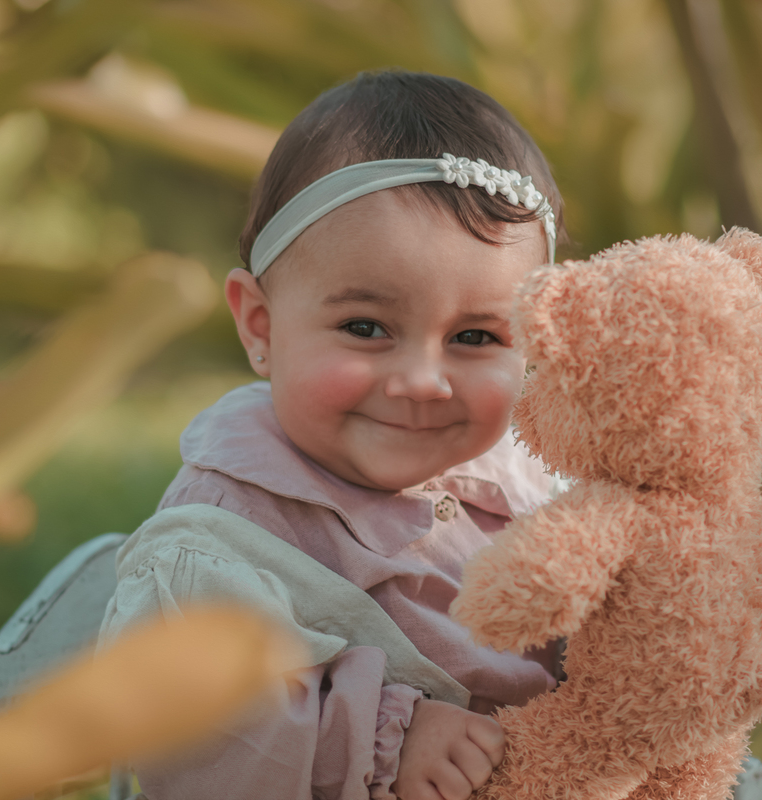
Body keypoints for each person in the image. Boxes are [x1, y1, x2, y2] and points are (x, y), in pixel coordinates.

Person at [100, 69, 567, 800]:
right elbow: (197, 731)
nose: (422, 379)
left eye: (476, 336)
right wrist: (388, 736)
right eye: (365, 328)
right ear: (261, 325)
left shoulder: (534, 488)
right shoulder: (227, 536)